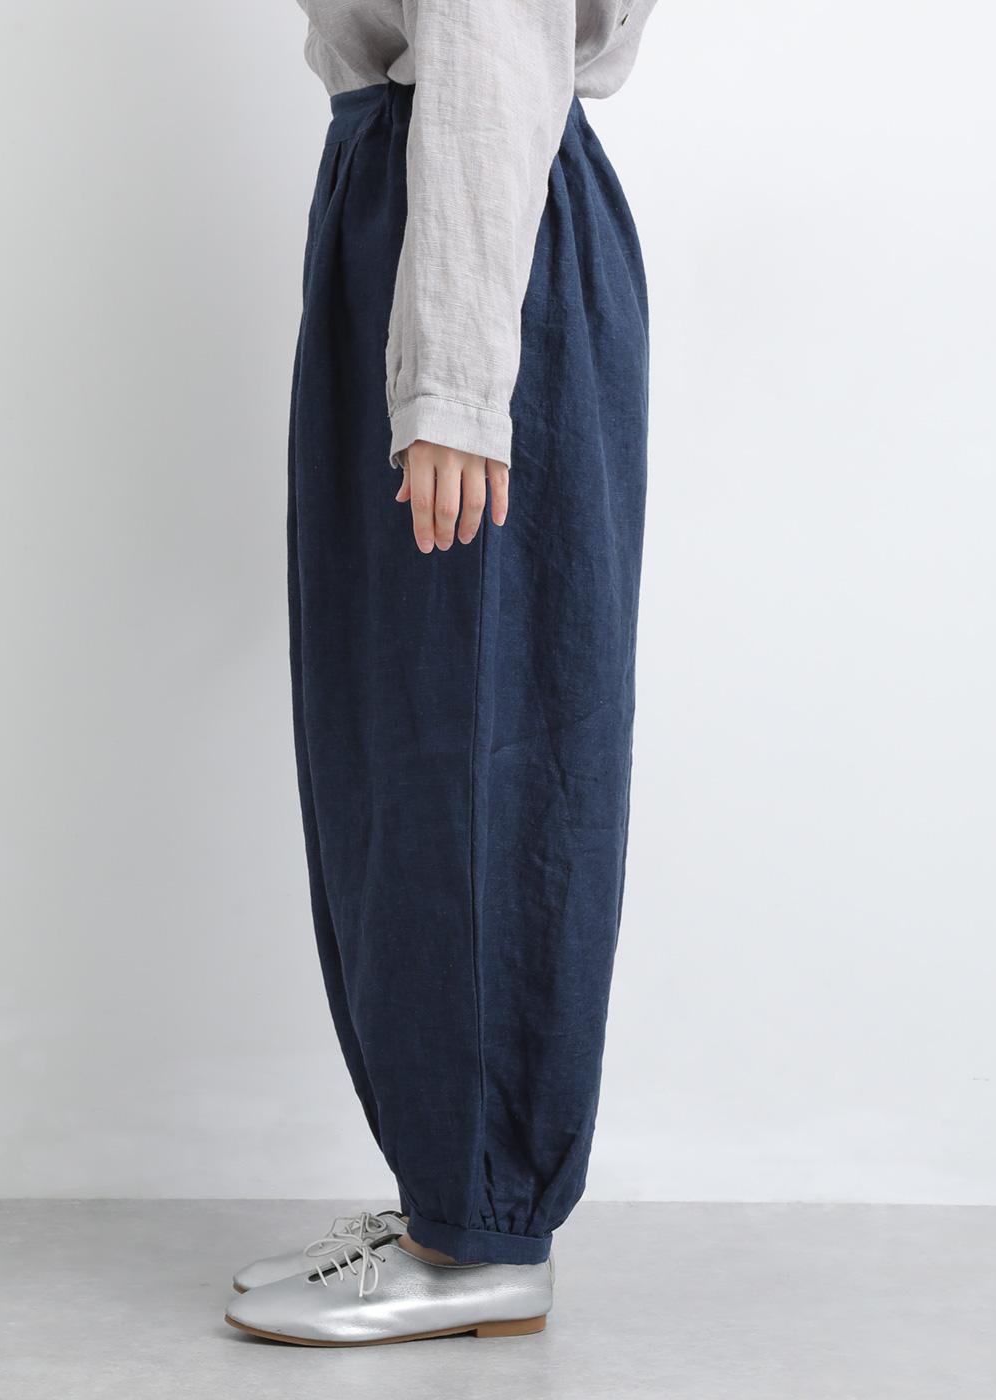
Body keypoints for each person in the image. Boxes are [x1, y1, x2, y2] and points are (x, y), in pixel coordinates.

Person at [225, 0, 658, 1347]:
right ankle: (444, 1200)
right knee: (397, 748)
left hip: (471, 215)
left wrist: (460, 384)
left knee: (476, 751)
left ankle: (480, 1231)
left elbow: (490, 36)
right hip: (411, 200)